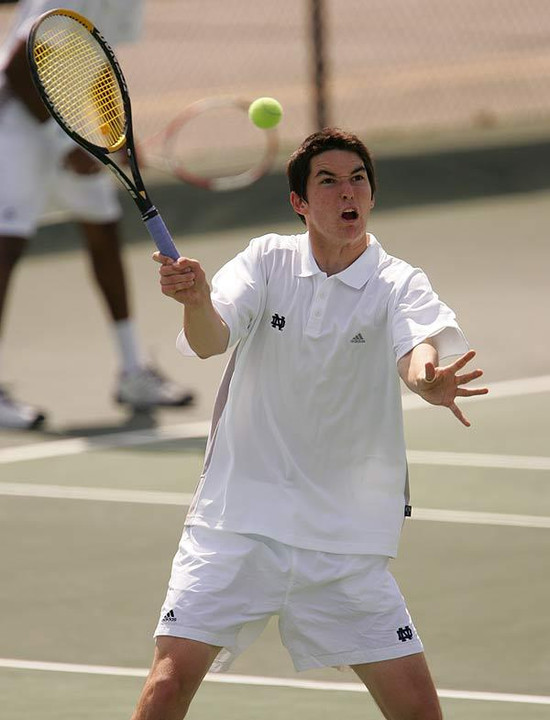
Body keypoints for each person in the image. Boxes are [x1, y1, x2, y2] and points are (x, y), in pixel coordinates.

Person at [130, 128, 488, 720]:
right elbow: (212, 339)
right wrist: (196, 300)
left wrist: (429, 380)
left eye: (358, 179)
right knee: (167, 688)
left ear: (371, 195)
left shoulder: (399, 281)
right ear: (299, 202)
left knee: (418, 712)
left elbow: (416, 351)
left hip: (343, 539)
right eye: (329, 181)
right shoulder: (266, 261)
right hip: (238, 522)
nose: (348, 192)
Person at [0, 0, 194, 429]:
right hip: (16, 125)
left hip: (68, 128)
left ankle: (132, 374)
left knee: (103, 230)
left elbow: (98, 61)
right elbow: (18, 68)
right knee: (7, 246)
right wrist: (66, 140)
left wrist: (114, 133)